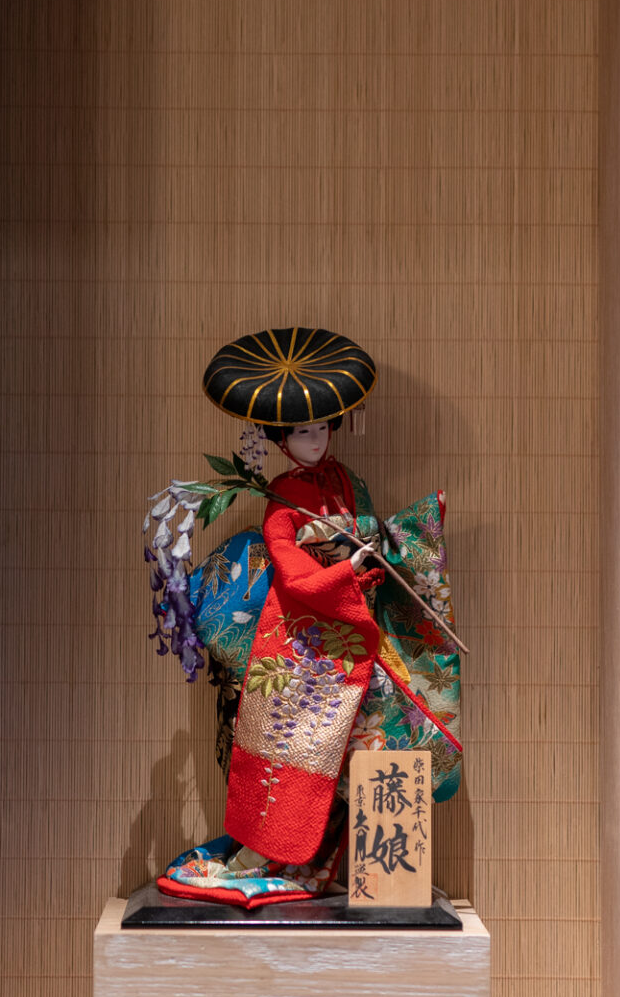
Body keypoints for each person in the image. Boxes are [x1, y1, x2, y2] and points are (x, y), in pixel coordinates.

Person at [146, 326, 462, 909]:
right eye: (300, 432)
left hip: (361, 623)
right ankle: (281, 852)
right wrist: (346, 572)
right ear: (279, 438)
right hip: (307, 637)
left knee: (388, 737)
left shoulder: (349, 482)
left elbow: (376, 536)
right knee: (301, 750)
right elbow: (293, 576)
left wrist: (400, 539)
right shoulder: (281, 500)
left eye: (320, 428)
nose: (314, 440)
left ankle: (381, 873)